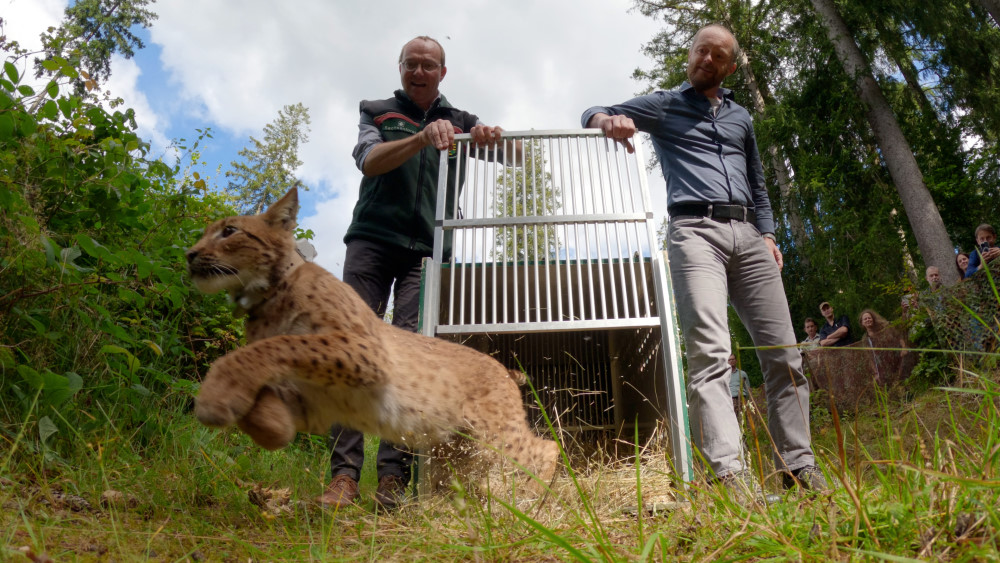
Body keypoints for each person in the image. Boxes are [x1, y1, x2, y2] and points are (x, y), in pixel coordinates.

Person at [582, 23, 827, 499]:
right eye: (700, 51)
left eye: (717, 56)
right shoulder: (664, 104)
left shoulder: (741, 118)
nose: (706, 60)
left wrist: (770, 233)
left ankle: (798, 468)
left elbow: (758, 184)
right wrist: (604, 121)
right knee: (712, 355)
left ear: (730, 66)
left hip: (751, 238)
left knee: (785, 356)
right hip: (695, 234)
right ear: (690, 54)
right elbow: (594, 110)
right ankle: (731, 479)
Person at [318, 36, 510, 511]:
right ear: (400, 68)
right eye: (411, 64)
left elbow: (519, 157)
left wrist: (492, 138)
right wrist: (421, 138)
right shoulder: (377, 111)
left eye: (429, 65)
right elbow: (369, 161)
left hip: (429, 251)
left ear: (443, 72)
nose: (419, 71)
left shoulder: (462, 121)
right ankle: (343, 476)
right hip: (371, 242)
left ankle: (392, 481)